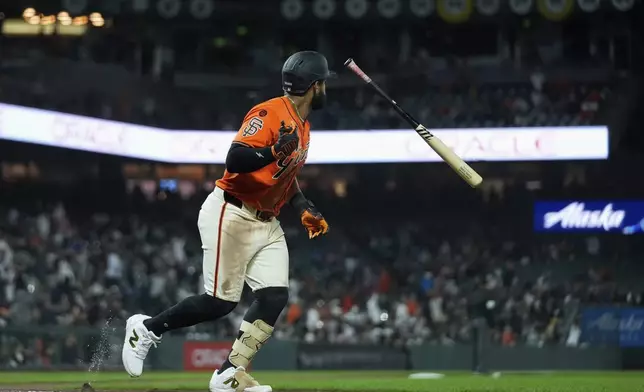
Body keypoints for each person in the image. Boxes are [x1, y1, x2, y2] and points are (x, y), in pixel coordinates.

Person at [121, 51, 333, 392]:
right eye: (324, 83)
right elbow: (235, 157)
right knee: (219, 303)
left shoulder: (303, 126)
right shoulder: (269, 113)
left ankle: (229, 372)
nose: (326, 89)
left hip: (267, 221)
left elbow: (285, 175)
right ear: (314, 86)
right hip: (232, 211)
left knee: (274, 296)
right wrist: (272, 152)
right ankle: (146, 328)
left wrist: (303, 205)